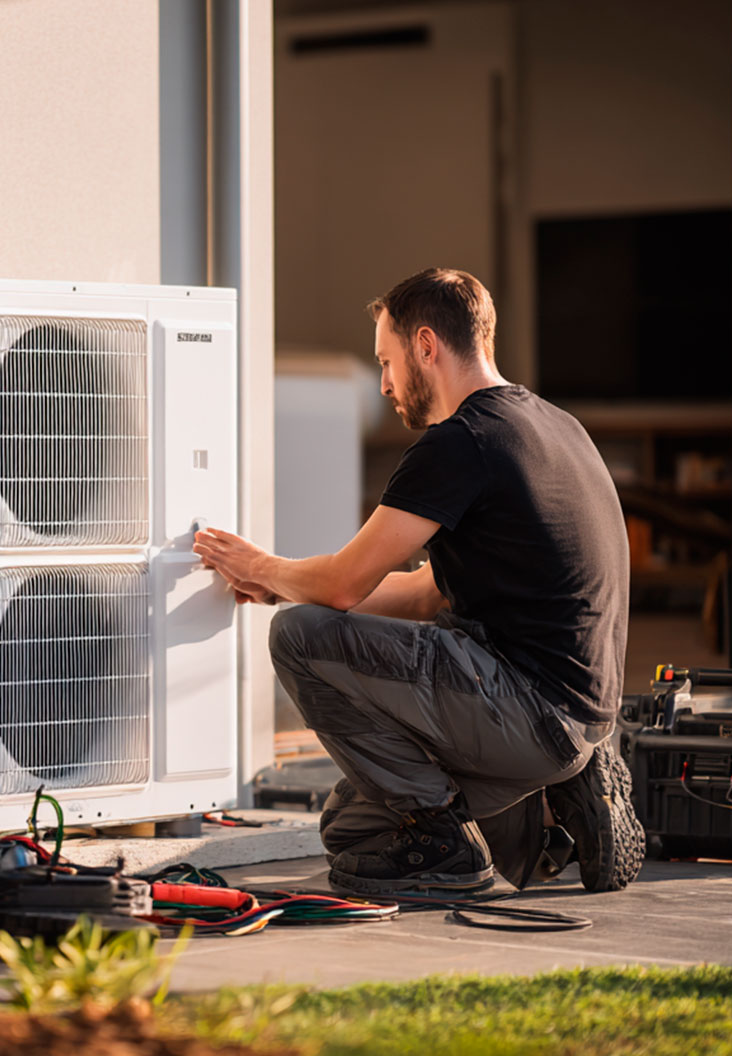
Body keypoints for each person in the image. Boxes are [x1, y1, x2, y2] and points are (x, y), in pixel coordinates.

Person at [194, 267, 642, 895]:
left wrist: (263, 568)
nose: (383, 384)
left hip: (524, 709)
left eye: (386, 361)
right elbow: (427, 592)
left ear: (425, 347)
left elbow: (346, 583)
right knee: (353, 828)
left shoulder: (461, 442)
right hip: (573, 719)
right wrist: (282, 585)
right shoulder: (554, 424)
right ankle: (553, 811)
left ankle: (442, 834)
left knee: (298, 636)